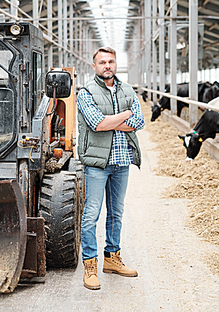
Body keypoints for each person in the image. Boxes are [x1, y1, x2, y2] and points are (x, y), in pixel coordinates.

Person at [76, 47, 145, 290]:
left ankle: (112, 259)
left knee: (116, 213)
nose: (107, 65)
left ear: (116, 65)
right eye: (102, 62)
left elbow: (139, 121)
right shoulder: (86, 92)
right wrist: (124, 115)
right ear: (94, 66)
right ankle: (90, 265)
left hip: (122, 161)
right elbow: (97, 124)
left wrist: (112, 121)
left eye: (111, 61)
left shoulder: (127, 90)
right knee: (91, 215)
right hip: (97, 164)